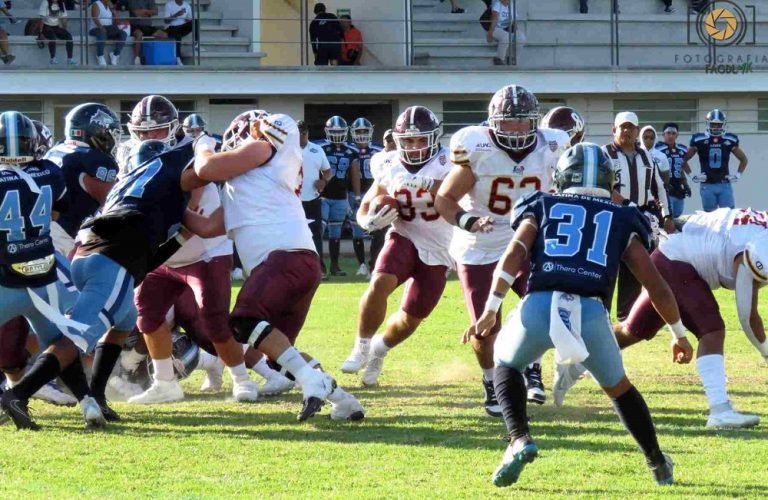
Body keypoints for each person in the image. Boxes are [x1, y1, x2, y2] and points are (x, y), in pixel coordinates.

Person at [469, 142, 680, 487]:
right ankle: (657, 462)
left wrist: (492, 307)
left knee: (505, 364)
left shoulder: (542, 202)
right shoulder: (624, 215)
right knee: (620, 389)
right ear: (609, 179)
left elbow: (514, 253)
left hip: (540, 304)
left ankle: (519, 438)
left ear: (562, 176)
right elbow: (655, 285)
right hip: (591, 313)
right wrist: (679, 333)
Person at [192, 110, 364, 421]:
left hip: (283, 258)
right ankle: (343, 400)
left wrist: (201, 144)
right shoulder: (250, 182)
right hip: (296, 262)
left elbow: (207, 167)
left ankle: (312, 382)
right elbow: (205, 228)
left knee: (243, 322)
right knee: (275, 355)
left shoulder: (263, 148)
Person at [557, 208, 765, 429]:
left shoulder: (759, 228)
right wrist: (765, 352)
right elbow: (747, 315)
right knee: (711, 331)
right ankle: (720, 410)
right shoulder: (760, 247)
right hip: (677, 262)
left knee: (632, 330)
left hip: (670, 255)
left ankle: (572, 362)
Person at [435, 85, 569, 415]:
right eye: (509, 123)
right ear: (493, 122)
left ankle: (533, 368)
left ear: (535, 122)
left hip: (529, 237)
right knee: (484, 327)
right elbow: (444, 199)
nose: (517, 130)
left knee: (543, 308)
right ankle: (490, 380)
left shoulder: (553, 145)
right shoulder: (476, 147)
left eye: (523, 122)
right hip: (480, 243)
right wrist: (468, 221)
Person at [0, 111, 107, 430]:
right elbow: (58, 210)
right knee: (60, 343)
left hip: (5, 280)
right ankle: (88, 404)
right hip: (44, 278)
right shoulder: (49, 172)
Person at [340, 106, 454, 387]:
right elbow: (368, 202)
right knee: (379, 282)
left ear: (435, 138)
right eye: (408, 141)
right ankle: (362, 345)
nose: (414, 147)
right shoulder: (388, 162)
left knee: (410, 319)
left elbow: (462, 193)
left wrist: (426, 182)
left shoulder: (449, 161)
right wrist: (367, 221)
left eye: (420, 140)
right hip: (404, 234)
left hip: (441, 247)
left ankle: (379, 350)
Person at [604, 111, 674, 323]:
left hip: (638, 217)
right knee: (606, 266)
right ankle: (601, 314)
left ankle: (626, 318)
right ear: (614, 130)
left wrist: (667, 215)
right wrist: (626, 204)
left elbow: (658, 187)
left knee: (635, 267)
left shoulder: (646, 156)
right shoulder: (604, 154)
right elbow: (602, 185)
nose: (626, 131)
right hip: (611, 216)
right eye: (622, 127)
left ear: (637, 131)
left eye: (630, 127)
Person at [319, 116, 360, 277]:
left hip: (340, 197)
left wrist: (356, 196)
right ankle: (320, 266)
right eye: (334, 131)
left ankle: (334, 266)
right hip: (322, 196)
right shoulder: (319, 147)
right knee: (320, 232)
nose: (337, 134)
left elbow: (354, 174)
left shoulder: (351, 151)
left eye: (340, 131)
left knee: (336, 233)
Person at [685, 110, 748, 212]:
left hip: (724, 184)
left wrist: (737, 175)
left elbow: (743, 159)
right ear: (708, 124)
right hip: (707, 184)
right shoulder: (699, 139)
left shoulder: (729, 139)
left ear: (723, 124)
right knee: (710, 218)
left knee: (728, 216)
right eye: (713, 124)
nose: (716, 127)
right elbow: (684, 160)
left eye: (718, 124)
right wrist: (692, 176)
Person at [348, 117, 382, 278]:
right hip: (354, 193)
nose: (362, 134)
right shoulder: (348, 150)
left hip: (374, 192)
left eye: (364, 131)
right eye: (359, 131)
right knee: (357, 231)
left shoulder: (378, 150)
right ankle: (361, 264)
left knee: (376, 230)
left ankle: (373, 263)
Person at [298, 119, 332, 276]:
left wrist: (323, 181)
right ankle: (297, 268)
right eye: (298, 133)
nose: (301, 136)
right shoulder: (286, 150)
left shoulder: (317, 150)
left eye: (303, 133)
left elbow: (328, 171)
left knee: (315, 233)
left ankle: (319, 267)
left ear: (307, 133)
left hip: (312, 198)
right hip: (293, 200)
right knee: (294, 234)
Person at [655, 122, 691, 218]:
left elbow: (680, 168)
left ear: (677, 135)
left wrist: (686, 185)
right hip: (665, 187)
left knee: (677, 214)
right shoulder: (658, 149)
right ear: (663, 134)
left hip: (678, 187)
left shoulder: (681, 149)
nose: (671, 136)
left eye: (673, 133)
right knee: (667, 215)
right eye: (668, 133)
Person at [128, 0, 168, 66]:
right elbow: (137, 13)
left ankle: (161, 58)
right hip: (135, 26)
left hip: (148, 27)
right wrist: (149, 12)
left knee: (164, 35)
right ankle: (137, 58)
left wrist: (144, 11)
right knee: (139, 34)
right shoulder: (133, 1)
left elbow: (156, 12)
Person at [89, 0, 126, 66]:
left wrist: (113, 11)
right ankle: (100, 55)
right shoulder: (96, 4)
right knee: (102, 34)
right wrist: (101, 27)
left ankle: (115, 55)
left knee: (123, 33)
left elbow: (117, 21)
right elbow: (95, 18)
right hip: (96, 28)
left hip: (108, 28)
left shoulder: (109, 7)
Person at [38, 0, 75, 65]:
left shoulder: (61, 3)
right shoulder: (45, 2)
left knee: (69, 36)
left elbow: (64, 18)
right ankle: (53, 58)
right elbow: (42, 19)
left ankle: (70, 59)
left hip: (56, 26)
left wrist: (65, 27)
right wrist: (40, 32)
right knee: (52, 37)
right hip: (46, 26)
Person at [486, 0, 522, 66]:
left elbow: (514, 21)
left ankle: (512, 57)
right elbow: (494, 20)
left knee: (521, 38)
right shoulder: (497, 5)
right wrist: (490, 34)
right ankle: (499, 58)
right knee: (506, 37)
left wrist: (517, 32)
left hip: (508, 28)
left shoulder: (512, 6)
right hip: (497, 28)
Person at [164, 0, 198, 66]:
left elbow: (189, 19)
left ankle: (196, 43)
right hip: (171, 28)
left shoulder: (187, 5)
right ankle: (178, 57)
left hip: (182, 27)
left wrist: (188, 20)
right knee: (176, 31)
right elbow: (166, 21)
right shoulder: (169, 5)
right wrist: (177, 14)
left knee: (195, 22)